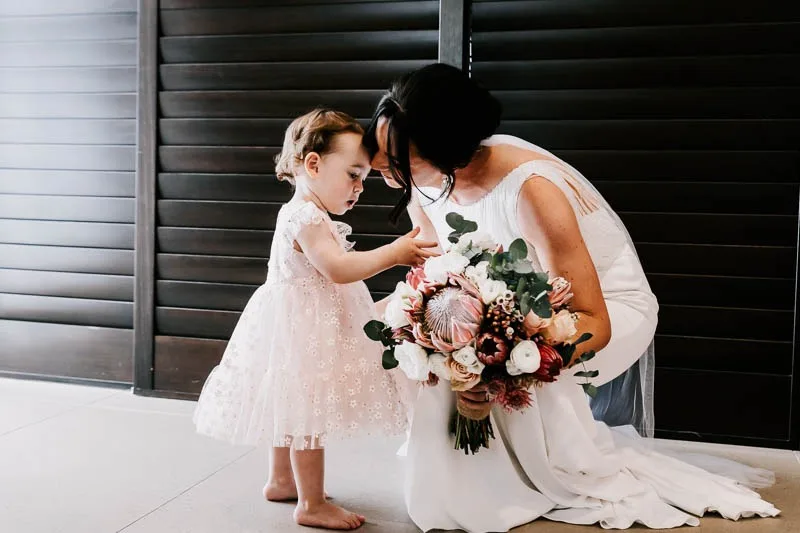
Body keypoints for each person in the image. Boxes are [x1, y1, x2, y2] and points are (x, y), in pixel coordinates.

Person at [364, 64, 779, 532]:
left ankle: (518, 481)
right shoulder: (425, 179)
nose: (379, 163)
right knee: (437, 350)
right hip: (508, 304)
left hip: (604, 311)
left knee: (494, 369)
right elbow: (439, 262)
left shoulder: (532, 192)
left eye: (397, 156)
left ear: (446, 149)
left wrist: (502, 366)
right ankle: (474, 477)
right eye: (380, 148)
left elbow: (594, 321)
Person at [193, 109, 438, 530]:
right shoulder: (305, 217)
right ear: (313, 164)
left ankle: (281, 479)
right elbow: (338, 269)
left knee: (287, 400)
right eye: (354, 175)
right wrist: (395, 254)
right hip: (303, 325)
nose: (360, 188)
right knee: (307, 412)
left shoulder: (306, 212)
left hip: (297, 322)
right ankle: (310, 504)